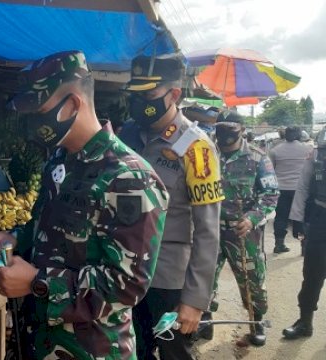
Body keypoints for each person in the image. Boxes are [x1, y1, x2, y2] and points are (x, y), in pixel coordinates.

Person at [0, 50, 169, 359]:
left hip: (94, 348)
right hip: (43, 341)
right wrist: (15, 237)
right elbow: (48, 224)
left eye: (38, 109)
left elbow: (128, 285)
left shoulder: (128, 178)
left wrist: (38, 282)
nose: (30, 121)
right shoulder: (60, 159)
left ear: (72, 105)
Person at [118, 54, 223, 360]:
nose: (140, 103)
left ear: (174, 94)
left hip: (167, 280)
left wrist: (194, 299)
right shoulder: (126, 134)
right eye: (135, 95)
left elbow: (207, 229)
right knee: (130, 352)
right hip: (123, 272)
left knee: (174, 353)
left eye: (148, 95)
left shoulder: (196, 147)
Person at [206, 111, 278, 346]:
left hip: (242, 232)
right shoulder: (206, 153)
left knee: (252, 278)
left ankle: (255, 322)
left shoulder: (258, 158)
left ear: (242, 130)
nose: (225, 133)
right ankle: (204, 321)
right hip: (209, 229)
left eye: (231, 128)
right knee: (203, 276)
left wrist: (252, 218)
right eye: (221, 127)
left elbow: (270, 195)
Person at [282, 128, 326, 339]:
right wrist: (297, 218)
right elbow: (303, 186)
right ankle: (305, 322)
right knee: (313, 274)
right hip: (321, 218)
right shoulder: (318, 152)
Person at [268, 126, 312, 253]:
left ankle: (279, 244)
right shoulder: (307, 149)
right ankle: (304, 247)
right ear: (300, 135)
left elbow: (271, 170)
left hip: (282, 189)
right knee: (303, 217)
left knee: (281, 216)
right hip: (302, 190)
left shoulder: (275, 150)